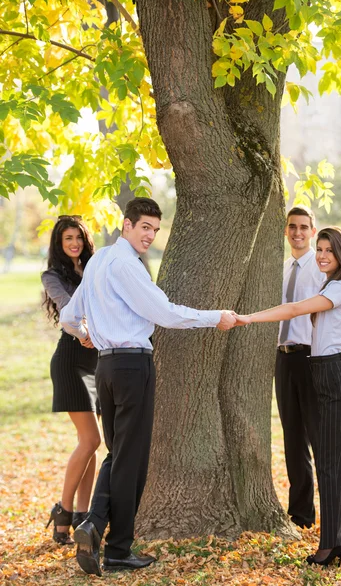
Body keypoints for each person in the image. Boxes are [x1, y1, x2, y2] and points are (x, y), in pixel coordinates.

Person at [60, 198, 237, 576]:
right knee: (132, 462)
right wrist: (216, 317)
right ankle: (118, 548)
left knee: (118, 454)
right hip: (132, 366)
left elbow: (68, 318)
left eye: (155, 229)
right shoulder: (127, 265)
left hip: (106, 367)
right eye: (144, 227)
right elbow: (165, 314)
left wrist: (87, 334)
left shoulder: (98, 262)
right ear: (126, 225)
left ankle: (93, 524)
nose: (150, 235)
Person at [236, 226, 341, 567]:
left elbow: (293, 310)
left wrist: (247, 318)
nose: (321, 255)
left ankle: (331, 544)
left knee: (334, 468)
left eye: (328, 251)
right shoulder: (330, 285)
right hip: (325, 375)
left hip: (336, 378)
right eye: (319, 249)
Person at [41, 216, 101, 545]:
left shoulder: (94, 268)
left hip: (97, 360)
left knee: (90, 445)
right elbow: (66, 308)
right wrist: (83, 330)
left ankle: (81, 515)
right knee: (91, 440)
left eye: (78, 237)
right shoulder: (52, 276)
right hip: (70, 359)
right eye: (68, 238)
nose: (74, 243)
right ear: (59, 244)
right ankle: (63, 511)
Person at [275, 206, 324, 529]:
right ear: (286, 230)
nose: (297, 232)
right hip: (283, 357)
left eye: (304, 227)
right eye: (292, 226)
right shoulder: (280, 269)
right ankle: (300, 514)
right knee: (292, 437)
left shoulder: (320, 270)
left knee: (316, 437)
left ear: (313, 231)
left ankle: (330, 510)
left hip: (310, 358)